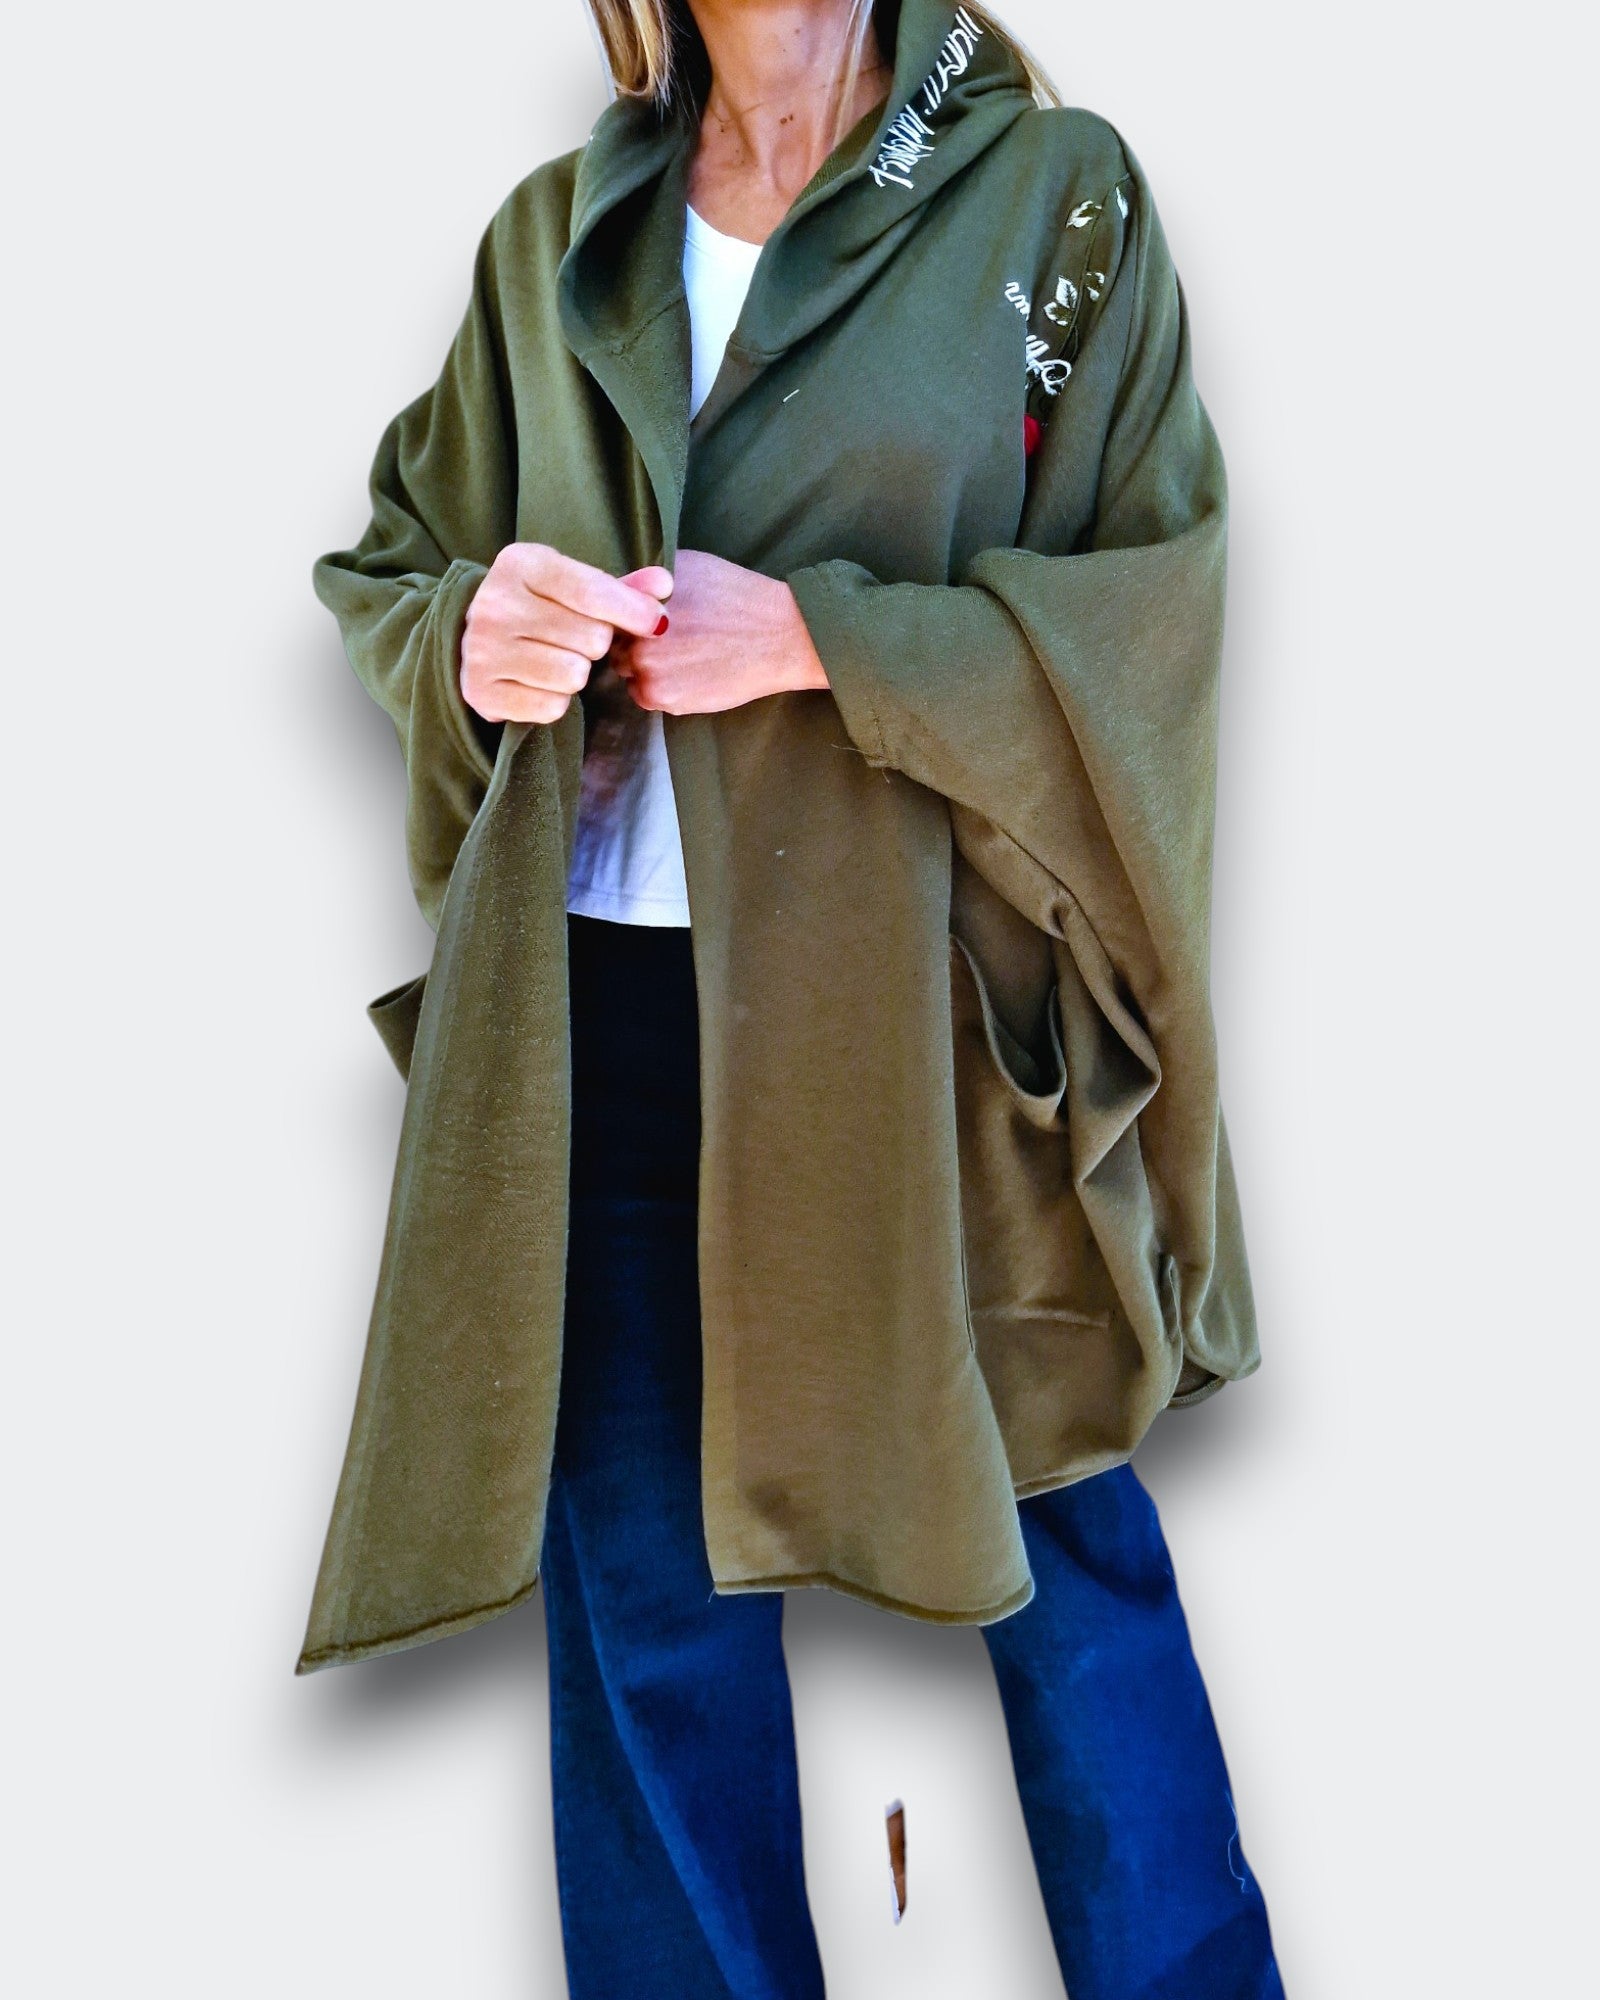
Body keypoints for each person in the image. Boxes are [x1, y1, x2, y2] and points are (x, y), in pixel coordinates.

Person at [300, 1, 1285, 1992]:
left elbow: (1150, 609)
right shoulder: (556, 238)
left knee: (1067, 1585)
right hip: (606, 1026)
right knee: (648, 1639)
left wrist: (824, 642)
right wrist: (477, 638)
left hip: (933, 1032)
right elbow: (399, 568)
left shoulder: (1051, 198)